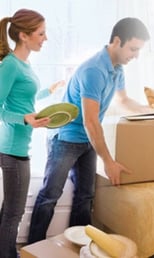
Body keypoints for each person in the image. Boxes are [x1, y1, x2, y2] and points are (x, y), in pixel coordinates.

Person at [28, 17, 154, 244]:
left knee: (85, 196)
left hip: (88, 141)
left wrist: (151, 110)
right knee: (50, 195)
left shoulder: (117, 68)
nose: (135, 55)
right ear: (117, 41)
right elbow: (91, 121)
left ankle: (78, 245)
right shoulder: (94, 70)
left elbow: (124, 101)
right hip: (65, 139)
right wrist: (109, 161)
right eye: (133, 49)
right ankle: (33, 247)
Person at [0, 9, 64, 258]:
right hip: (12, 149)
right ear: (24, 36)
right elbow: (3, 108)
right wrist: (24, 120)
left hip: (17, 146)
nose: (45, 38)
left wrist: (48, 91)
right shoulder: (10, 65)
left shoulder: (23, 64)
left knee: (10, 211)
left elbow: (22, 100)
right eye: (41, 33)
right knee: (14, 214)